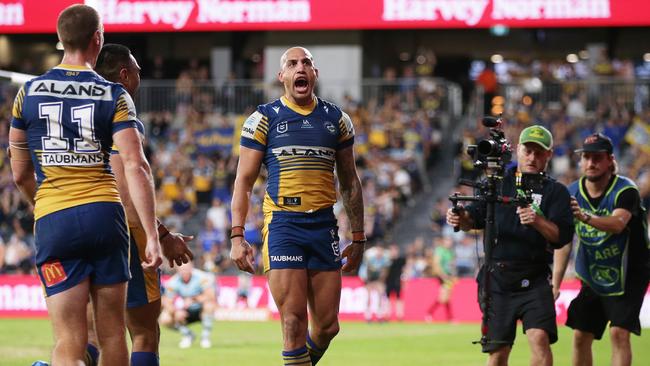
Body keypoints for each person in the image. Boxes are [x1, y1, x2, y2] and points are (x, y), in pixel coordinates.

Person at [8, 4, 162, 366]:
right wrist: (153, 236)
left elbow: (18, 172)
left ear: (61, 40)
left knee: (70, 341)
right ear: (98, 38)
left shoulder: (27, 93)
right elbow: (136, 165)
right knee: (111, 337)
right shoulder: (114, 94)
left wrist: (42, 203)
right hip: (105, 217)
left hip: (54, 218)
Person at [229, 46, 365, 366]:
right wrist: (237, 236)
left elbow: (350, 181)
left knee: (328, 327)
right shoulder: (263, 119)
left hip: (323, 225)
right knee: (293, 323)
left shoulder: (337, 120)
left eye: (306, 63)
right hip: (283, 224)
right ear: (282, 77)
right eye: (292, 64)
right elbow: (243, 181)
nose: (300, 67)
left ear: (315, 74)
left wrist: (358, 238)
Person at [78, 43, 193, 366]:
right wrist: (161, 235)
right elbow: (126, 189)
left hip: (69, 222)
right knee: (142, 332)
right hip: (119, 230)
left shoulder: (71, 114)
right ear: (125, 76)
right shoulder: (117, 111)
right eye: (139, 70)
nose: (142, 76)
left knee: (84, 336)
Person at [446, 125, 574, 366]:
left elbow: (562, 237)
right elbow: (472, 218)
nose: (533, 157)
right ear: (518, 149)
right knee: (498, 353)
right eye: (528, 151)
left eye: (539, 152)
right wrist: (459, 218)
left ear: (549, 154)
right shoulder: (496, 183)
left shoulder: (556, 192)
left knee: (540, 340)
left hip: (535, 278)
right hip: (497, 280)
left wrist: (537, 221)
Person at [553, 133, 650, 366]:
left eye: (597, 157)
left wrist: (584, 216)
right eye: (586, 157)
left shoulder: (626, 191)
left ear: (610, 160)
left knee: (619, 333)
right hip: (594, 273)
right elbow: (565, 242)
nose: (590, 163)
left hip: (629, 274)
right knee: (580, 335)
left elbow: (617, 224)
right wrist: (555, 284)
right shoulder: (572, 192)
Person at [159, 262, 217, 349]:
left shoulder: (202, 277)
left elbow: (211, 296)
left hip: (200, 309)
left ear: (191, 268)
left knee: (209, 305)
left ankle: (205, 338)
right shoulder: (173, 281)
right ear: (177, 270)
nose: (184, 272)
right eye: (181, 269)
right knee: (165, 318)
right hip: (185, 311)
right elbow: (167, 301)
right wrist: (175, 311)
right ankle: (188, 335)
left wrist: (193, 299)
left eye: (186, 269)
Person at [427, 236, 456, 322]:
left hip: (448, 276)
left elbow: (451, 265)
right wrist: (443, 276)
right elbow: (436, 264)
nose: (449, 243)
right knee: (443, 297)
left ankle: (448, 317)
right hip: (442, 276)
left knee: (446, 297)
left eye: (450, 241)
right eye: (447, 241)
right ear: (444, 241)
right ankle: (429, 313)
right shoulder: (439, 250)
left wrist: (452, 276)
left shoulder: (450, 252)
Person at [384, 244, 406, 321]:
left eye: (394, 250)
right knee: (387, 298)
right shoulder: (387, 260)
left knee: (399, 298)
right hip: (388, 282)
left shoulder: (401, 260)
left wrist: (405, 278)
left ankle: (399, 315)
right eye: (391, 250)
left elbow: (405, 269)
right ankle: (387, 315)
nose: (393, 252)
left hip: (397, 281)